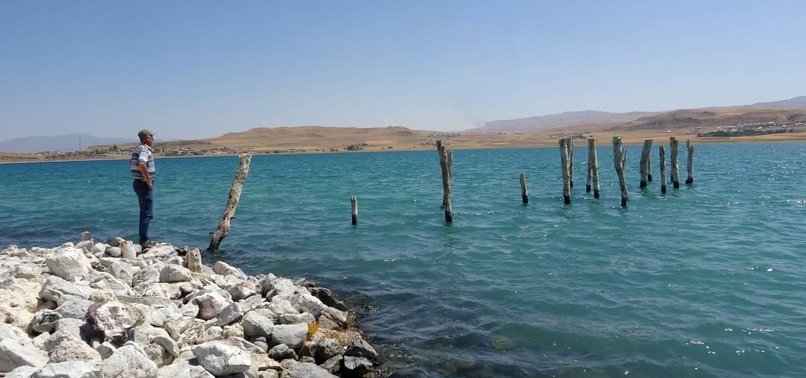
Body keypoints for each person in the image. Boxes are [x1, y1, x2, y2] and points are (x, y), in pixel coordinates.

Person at [131, 129, 157, 249]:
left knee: (144, 212)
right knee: (147, 213)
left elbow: (133, 163)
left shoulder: (138, 149)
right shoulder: (144, 149)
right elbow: (141, 163)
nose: (153, 139)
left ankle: (143, 238)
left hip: (138, 183)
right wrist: (148, 180)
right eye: (152, 137)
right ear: (147, 138)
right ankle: (144, 240)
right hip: (143, 184)